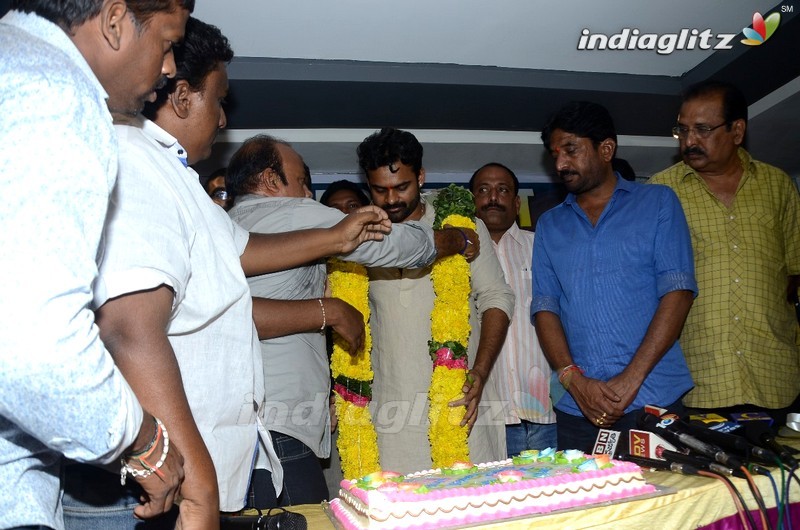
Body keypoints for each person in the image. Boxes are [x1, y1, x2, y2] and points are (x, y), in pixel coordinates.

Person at [61, 17, 393, 528]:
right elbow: (129, 327)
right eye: (219, 101)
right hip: (153, 476)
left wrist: (336, 236)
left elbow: (240, 251)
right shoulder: (133, 160)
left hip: (176, 467)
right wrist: (200, 489)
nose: (221, 121)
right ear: (182, 98)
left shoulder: (177, 177)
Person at [0, 1, 191, 528]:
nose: (171, 66)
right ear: (113, 21)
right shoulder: (55, 91)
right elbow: (31, 341)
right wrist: (141, 438)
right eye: (167, 41)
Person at [225, 134, 478, 503]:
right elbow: (385, 242)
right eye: (301, 182)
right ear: (270, 180)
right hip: (279, 425)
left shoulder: (223, 224)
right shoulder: (291, 211)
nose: (308, 193)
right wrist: (454, 240)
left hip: (232, 428)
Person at [532, 101, 697, 454]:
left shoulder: (658, 203)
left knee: (669, 506)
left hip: (654, 399)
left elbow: (678, 292)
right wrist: (573, 379)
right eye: (555, 154)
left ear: (606, 149)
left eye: (571, 150)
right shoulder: (550, 225)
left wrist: (631, 379)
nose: (560, 164)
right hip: (579, 408)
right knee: (590, 508)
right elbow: (545, 307)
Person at [357, 127, 514, 473]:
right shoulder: (359, 237)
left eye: (402, 187)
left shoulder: (462, 226)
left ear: (421, 177)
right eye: (379, 190)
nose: (392, 199)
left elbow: (497, 298)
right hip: (389, 416)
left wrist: (480, 374)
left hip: (459, 404)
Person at [650, 80, 800, 417]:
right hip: (698, 381)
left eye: (702, 129)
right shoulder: (660, 191)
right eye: (683, 130)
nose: (690, 141)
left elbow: (793, 273)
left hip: (774, 378)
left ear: (737, 131)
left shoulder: (777, 186)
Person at [469, 163, 557, 455]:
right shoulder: (456, 257)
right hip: (486, 416)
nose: (493, 198)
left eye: (502, 190)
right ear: (472, 201)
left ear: (517, 203)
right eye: (483, 190)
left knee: (553, 499)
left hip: (546, 410)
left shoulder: (542, 247)